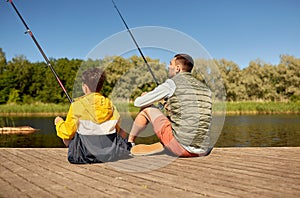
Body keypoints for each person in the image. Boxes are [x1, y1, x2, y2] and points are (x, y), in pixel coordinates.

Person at [129, 53, 212, 157]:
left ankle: (129, 143)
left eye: (171, 64)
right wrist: (168, 104)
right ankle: (167, 144)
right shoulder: (204, 88)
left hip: (182, 148)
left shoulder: (172, 83)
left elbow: (138, 103)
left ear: (177, 68)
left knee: (146, 108)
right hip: (203, 149)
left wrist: (145, 96)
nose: (168, 66)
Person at [54, 67, 131, 164]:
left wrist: (59, 122)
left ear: (84, 87)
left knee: (66, 132)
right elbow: (118, 129)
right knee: (123, 126)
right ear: (101, 86)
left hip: (83, 155)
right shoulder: (110, 104)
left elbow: (67, 133)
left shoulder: (77, 105)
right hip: (110, 154)